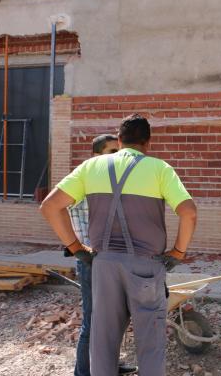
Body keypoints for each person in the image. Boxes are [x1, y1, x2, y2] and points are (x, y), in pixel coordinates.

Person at [40, 114, 197, 376]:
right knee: (150, 343)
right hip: (146, 266)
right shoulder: (160, 169)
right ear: (148, 143)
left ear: (120, 138)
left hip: (103, 264)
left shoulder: (91, 167)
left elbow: (50, 206)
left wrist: (76, 247)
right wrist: (178, 251)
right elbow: (189, 212)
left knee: (103, 341)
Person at [67, 134, 137, 376]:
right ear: (96, 156)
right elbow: (54, 206)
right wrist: (76, 247)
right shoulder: (85, 178)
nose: (116, 157)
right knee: (93, 321)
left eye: (118, 152)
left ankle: (107, 367)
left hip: (112, 260)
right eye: (110, 152)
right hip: (92, 260)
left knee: (112, 320)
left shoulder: (110, 180)